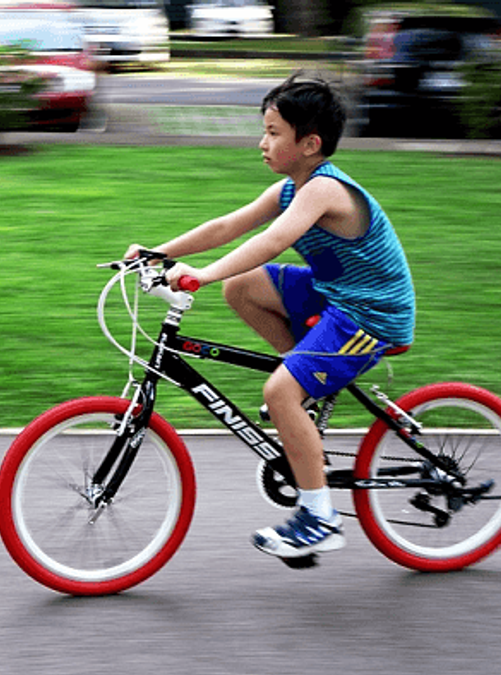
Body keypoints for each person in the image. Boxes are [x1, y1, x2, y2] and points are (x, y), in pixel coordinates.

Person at [124, 72, 415, 561]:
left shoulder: (324, 190)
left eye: (274, 133)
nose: (262, 142)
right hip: (334, 295)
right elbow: (226, 226)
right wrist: (156, 253)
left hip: (371, 314)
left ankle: (319, 517)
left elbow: (272, 242)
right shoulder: (288, 189)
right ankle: (302, 386)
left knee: (278, 390)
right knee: (243, 288)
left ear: (310, 144)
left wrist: (202, 275)